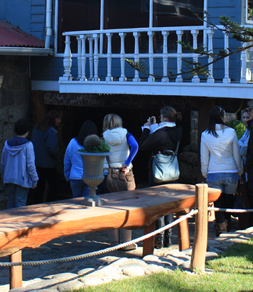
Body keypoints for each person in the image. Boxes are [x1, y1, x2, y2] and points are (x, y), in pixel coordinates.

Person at [139, 106, 183, 248]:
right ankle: (168, 238)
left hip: (158, 171)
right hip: (171, 170)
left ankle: (159, 238)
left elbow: (143, 145)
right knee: (169, 205)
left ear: (164, 118)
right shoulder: (177, 131)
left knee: (159, 205)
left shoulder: (160, 134)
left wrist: (147, 129)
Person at [200, 106, 243, 235]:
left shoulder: (205, 134)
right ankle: (227, 223)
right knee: (228, 199)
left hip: (214, 171)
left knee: (217, 202)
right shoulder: (231, 132)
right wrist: (239, 169)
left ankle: (220, 227)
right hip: (230, 170)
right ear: (223, 117)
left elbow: (204, 156)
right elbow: (236, 153)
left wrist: (204, 171)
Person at [103, 113, 139, 251]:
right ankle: (126, 242)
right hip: (125, 174)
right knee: (127, 208)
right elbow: (135, 146)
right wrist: (127, 163)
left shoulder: (103, 138)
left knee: (110, 209)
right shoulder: (127, 135)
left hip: (109, 174)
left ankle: (113, 242)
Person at [1, 119, 38, 209]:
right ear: (27, 131)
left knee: (11, 202)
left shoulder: (7, 144)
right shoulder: (28, 145)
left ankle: (9, 221)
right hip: (22, 179)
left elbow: (3, 162)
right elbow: (30, 165)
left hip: (8, 178)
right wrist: (35, 179)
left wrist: (3, 176)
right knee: (20, 204)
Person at [63, 120, 100, 198]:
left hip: (75, 177)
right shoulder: (96, 145)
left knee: (75, 201)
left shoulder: (72, 142)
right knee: (85, 203)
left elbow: (67, 161)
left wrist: (67, 175)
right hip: (90, 178)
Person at [31, 109, 61, 203]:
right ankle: (50, 203)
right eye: (58, 118)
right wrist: (58, 158)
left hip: (37, 162)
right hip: (49, 164)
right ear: (53, 119)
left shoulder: (37, 128)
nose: (60, 121)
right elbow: (52, 148)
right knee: (53, 185)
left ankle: (37, 204)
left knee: (39, 186)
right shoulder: (51, 131)